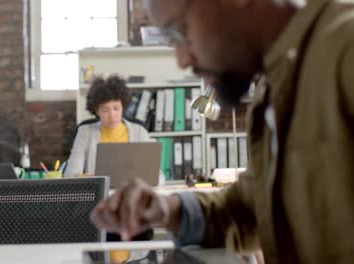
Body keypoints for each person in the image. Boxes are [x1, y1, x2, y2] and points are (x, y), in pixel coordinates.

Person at [91, 0, 354, 263]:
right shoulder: (274, 85)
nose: (182, 60)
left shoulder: (345, 46)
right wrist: (168, 210)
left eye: (179, 31)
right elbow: (246, 209)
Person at [64, 75, 150, 178]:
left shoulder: (139, 132)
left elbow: (158, 176)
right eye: (105, 110)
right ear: (97, 111)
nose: (112, 115)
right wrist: (88, 178)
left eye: (116, 108)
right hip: (99, 192)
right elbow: (70, 174)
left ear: (123, 107)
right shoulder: (85, 132)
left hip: (130, 192)